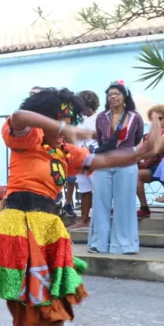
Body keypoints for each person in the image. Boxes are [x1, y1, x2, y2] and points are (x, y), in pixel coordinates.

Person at [0, 88, 154, 326]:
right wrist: (62, 129)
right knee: (32, 307)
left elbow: (102, 160)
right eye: (64, 120)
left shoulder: (63, 152)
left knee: (59, 290)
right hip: (23, 226)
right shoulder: (26, 138)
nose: (68, 125)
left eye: (70, 121)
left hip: (49, 227)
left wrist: (141, 152)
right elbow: (18, 117)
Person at [88, 81, 144, 253]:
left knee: (125, 204)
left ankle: (124, 244)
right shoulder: (101, 117)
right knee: (100, 203)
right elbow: (101, 141)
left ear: (124, 96)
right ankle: (99, 243)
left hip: (126, 163)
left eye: (117, 93)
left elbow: (136, 139)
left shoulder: (135, 117)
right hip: (104, 162)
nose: (113, 97)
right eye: (110, 94)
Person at [136, 104, 164, 218]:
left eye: (160, 118)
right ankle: (144, 207)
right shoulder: (146, 135)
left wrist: (138, 159)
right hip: (149, 167)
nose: (157, 122)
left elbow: (156, 150)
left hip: (163, 168)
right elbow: (138, 151)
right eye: (154, 119)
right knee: (133, 175)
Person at [69, 90, 100, 229]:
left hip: (95, 157)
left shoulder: (99, 117)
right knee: (84, 189)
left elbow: (101, 135)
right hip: (81, 158)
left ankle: (99, 219)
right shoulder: (78, 119)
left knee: (98, 189)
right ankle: (84, 219)